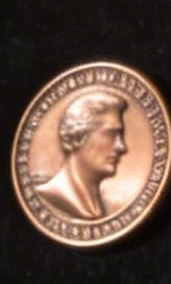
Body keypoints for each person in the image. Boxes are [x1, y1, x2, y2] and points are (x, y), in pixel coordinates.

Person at [32, 90, 130, 221]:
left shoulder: (100, 206)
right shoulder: (49, 197)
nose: (121, 147)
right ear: (79, 135)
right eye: (110, 134)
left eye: (120, 136)